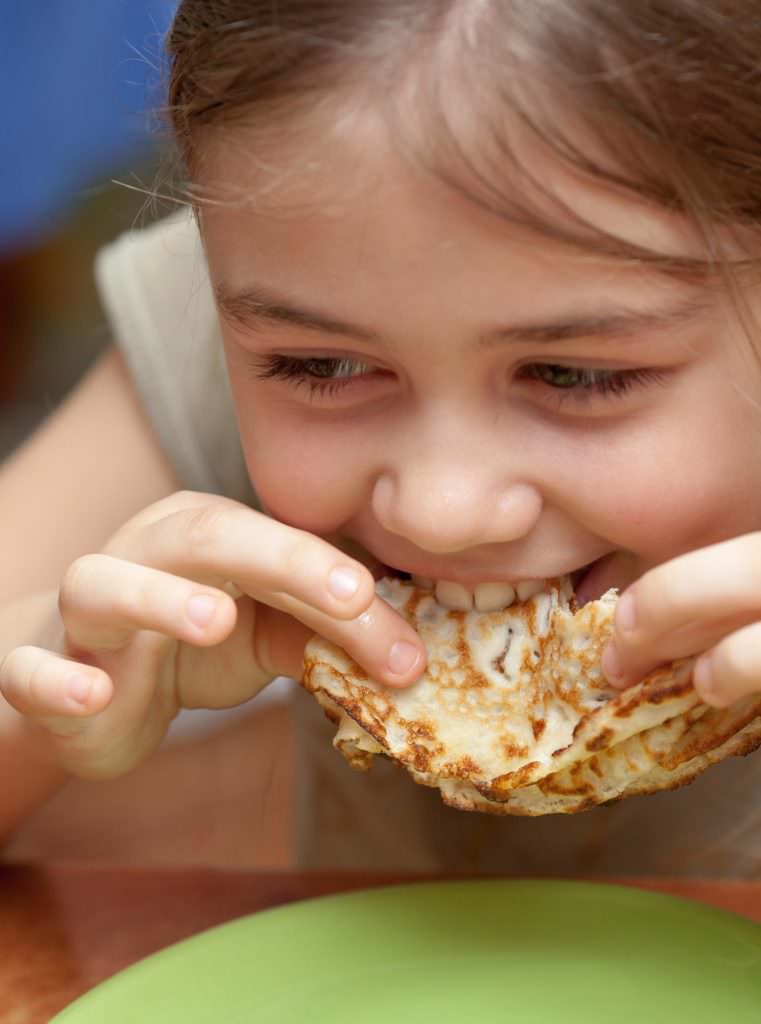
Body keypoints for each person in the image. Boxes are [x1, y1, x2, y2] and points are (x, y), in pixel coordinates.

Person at [3, 0, 761, 875]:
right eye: (322, 367)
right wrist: (50, 704)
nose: (443, 512)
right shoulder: (272, 280)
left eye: (573, 377)